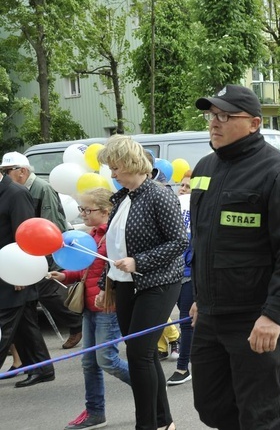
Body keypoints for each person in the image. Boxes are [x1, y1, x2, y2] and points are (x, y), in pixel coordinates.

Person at [190, 85, 280, 429]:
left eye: (225, 116)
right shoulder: (204, 168)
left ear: (254, 123)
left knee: (261, 415)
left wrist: (274, 315)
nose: (214, 123)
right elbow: (203, 241)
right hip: (212, 315)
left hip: (256, 316)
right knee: (212, 407)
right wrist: (201, 299)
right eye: (211, 115)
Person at [95, 135, 188, 430]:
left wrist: (140, 261)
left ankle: (147, 425)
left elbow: (179, 241)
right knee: (143, 355)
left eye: (114, 167)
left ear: (127, 162)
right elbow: (114, 248)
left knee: (138, 355)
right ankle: (164, 422)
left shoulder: (158, 194)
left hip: (158, 282)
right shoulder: (121, 197)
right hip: (124, 283)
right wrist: (103, 286)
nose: (111, 174)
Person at [50, 188, 131, 430]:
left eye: (87, 209)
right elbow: (86, 269)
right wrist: (64, 275)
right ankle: (95, 412)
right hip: (89, 305)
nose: (83, 214)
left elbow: (114, 272)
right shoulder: (92, 235)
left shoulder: (115, 236)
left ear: (106, 211)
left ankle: (150, 388)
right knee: (89, 363)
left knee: (107, 360)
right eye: (81, 209)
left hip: (108, 306)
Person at [1, 151, 83, 349]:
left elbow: (51, 224)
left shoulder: (40, 188)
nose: (4, 174)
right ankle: (31, 357)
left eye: (7, 170)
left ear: (22, 171)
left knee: (45, 292)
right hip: (30, 253)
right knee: (29, 303)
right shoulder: (17, 189)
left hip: (43, 251)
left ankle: (76, 324)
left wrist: (42, 256)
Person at [0, 168, 55, 388]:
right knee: (25, 324)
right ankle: (42, 368)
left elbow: (25, 234)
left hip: (14, 271)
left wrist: (21, 271)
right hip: (4, 269)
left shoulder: (15, 193)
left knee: (4, 326)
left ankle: (40, 368)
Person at [167, 171, 195, 385]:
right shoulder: (174, 210)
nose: (182, 190)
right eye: (182, 186)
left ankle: (183, 367)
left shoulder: (199, 213)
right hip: (174, 273)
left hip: (190, 273)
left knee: (186, 321)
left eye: (187, 187)